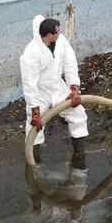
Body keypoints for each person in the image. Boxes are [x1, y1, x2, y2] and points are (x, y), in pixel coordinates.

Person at [21, 15, 87, 167]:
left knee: (78, 115)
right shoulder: (31, 52)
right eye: (57, 32)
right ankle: (34, 163)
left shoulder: (61, 41)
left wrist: (74, 87)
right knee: (34, 127)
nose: (60, 33)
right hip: (40, 93)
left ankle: (80, 158)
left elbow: (70, 62)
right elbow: (29, 83)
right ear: (49, 34)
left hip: (58, 88)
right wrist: (35, 108)